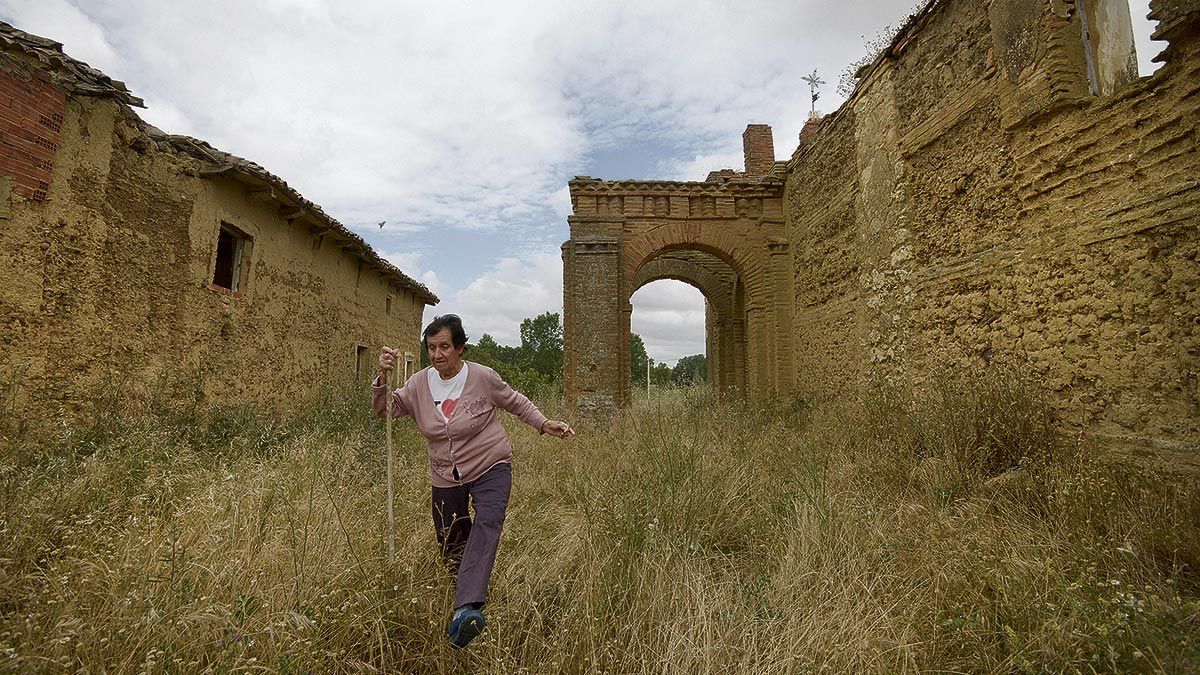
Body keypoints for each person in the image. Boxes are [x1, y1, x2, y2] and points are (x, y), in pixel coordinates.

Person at [372, 314, 574, 649]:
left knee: (489, 520)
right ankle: (469, 600)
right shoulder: (420, 384)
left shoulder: (482, 377)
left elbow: (515, 402)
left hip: (490, 463)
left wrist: (543, 423)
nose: (437, 354)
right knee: (452, 543)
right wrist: (382, 375)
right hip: (444, 474)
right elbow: (386, 411)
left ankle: (466, 608)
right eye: (431, 347)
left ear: (460, 348)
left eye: (444, 347)